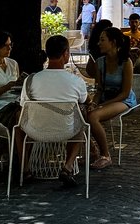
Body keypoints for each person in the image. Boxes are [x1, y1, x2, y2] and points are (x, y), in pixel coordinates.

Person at [16, 35, 87, 187]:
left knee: (19, 120)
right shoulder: (76, 81)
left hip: (35, 129)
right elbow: (83, 101)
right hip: (66, 130)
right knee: (82, 121)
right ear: (66, 54)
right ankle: (67, 167)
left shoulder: (31, 80)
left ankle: (25, 168)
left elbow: (23, 105)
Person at [86, 27, 137, 170]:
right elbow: (99, 89)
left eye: (102, 40)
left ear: (113, 42)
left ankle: (105, 155)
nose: (99, 43)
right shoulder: (100, 62)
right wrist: (94, 103)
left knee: (93, 116)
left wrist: (101, 106)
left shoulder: (126, 62)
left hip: (123, 100)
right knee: (82, 111)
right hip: (105, 98)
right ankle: (92, 150)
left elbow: (125, 93)